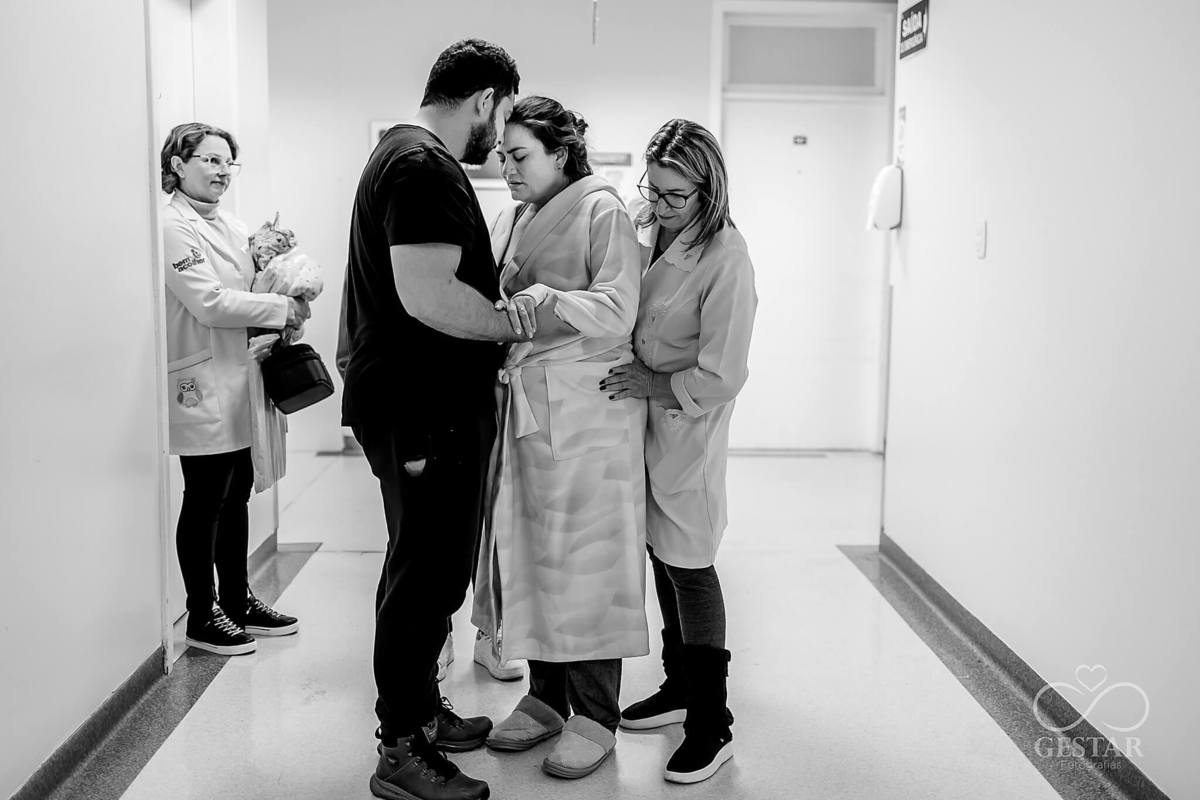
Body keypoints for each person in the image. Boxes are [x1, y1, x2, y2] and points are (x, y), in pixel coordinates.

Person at [339, 39, 538, 800]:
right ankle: (400, 750)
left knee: (419, 568)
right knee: (426, 580)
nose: (503, 134)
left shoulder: (404, 154)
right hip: (424, 413)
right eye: (505, 114)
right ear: (486, 99)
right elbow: (426, 295)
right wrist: (513, 323)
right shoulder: (422, 166)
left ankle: (420, 714)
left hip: (416, 404)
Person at [471, 96, 647, 780]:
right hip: (531, 411)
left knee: (587, 561)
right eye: (503, 156)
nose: (507, 169)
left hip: (587, 414)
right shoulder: (518, 216)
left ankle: (596, 715)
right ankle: (545, 699)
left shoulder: (602, 209)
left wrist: (546, 301)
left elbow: (618, 307)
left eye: (520, 156)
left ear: (562, 152)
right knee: (537, 553)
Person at [601, 119, 757, 784]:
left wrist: (653, 384)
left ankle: (712, 724)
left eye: (674, 196)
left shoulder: (727, 258)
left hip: (686, 428)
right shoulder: (647, 227)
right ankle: (679, 687)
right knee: (660, 554)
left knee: (691, 566)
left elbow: (724, 374)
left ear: (708, 190)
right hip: (640, 426)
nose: (659, 206)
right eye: (653, 189)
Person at [161, 122, 306, 657]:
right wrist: (281, 307)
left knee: (237, 492)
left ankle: (237, 599)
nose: (222, 172)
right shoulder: (171, 226)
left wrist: (282, 294)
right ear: (178, 165)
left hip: (242, 374)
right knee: (205, 498)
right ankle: (202, 614)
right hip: (201, 381)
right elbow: (210, 302)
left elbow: (247, 291)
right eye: (210, 160)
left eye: (228, 163)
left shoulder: (232, 224)